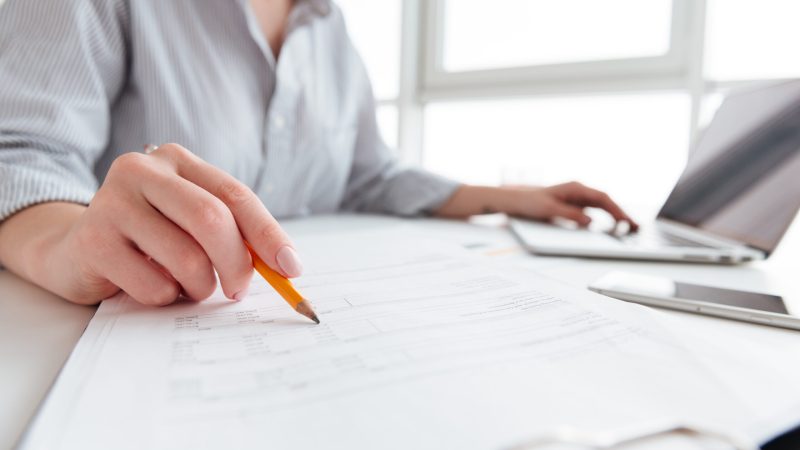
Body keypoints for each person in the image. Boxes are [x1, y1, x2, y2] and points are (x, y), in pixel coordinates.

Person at [0, 0, 637, 307]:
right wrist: (67, 247)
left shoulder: (329, 26)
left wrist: (508, 197)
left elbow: (367, 172)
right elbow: (19, 157)